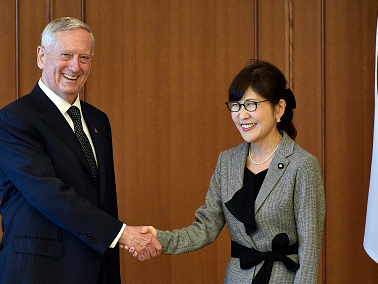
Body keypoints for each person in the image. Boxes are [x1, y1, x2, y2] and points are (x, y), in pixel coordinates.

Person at [0, 17, 161, 284]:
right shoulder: (15, 120)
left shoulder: (97, 121)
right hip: (36, 273)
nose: (75, 66)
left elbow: (104, 202)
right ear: (41, 56)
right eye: (66, 55)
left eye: (84, 57)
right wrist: (122, 234)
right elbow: (49, 195)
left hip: (94, 270)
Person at [128, 60, 325, 283]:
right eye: (236, 105)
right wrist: (159, 238)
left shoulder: (302, 164)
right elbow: (205, 228)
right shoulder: (227, 162)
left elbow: (309, 252)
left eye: (251, 104)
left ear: (279, 108)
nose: (242, 115)